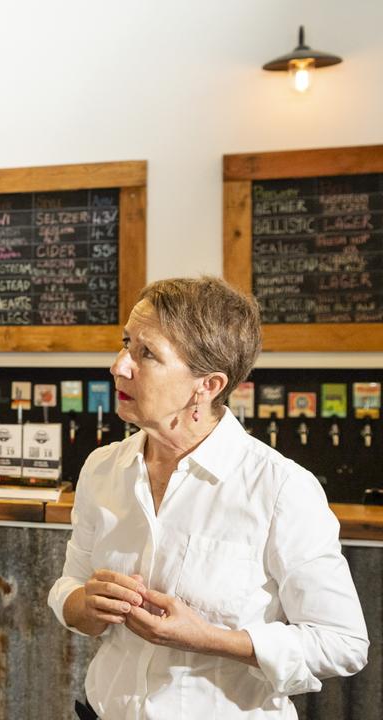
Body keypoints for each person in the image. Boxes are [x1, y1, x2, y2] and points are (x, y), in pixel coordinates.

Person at [48, 277, 369, 719]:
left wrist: (209, 639)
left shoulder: (279, 488)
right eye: (126, 344)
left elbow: (343, 643)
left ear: (208, 385)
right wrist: (85, 604)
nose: (119, 365)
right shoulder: (103, 468)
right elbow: (69, 585)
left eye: (147, 354)